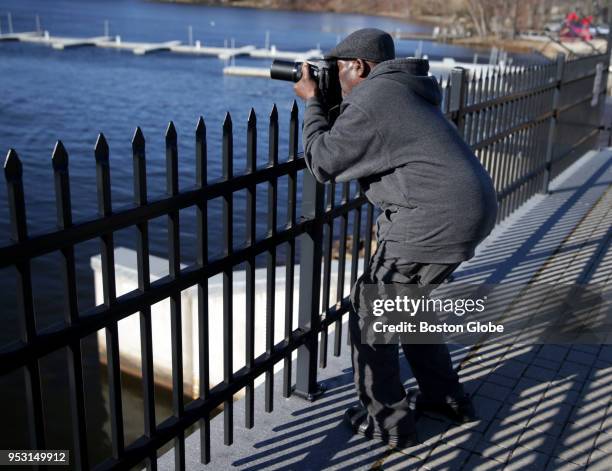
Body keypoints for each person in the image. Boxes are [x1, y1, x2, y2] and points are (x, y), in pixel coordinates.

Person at [293, 28, 498, 449]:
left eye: (337, 69)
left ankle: (389, 421)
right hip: (469, 209)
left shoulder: (376, 98)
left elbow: (323, 162)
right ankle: (445, 400)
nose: (334, 77)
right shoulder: (404, 91)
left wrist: (313, 102)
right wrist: (335, 102)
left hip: (432, 219)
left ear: (359, 66)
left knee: (373, 315)